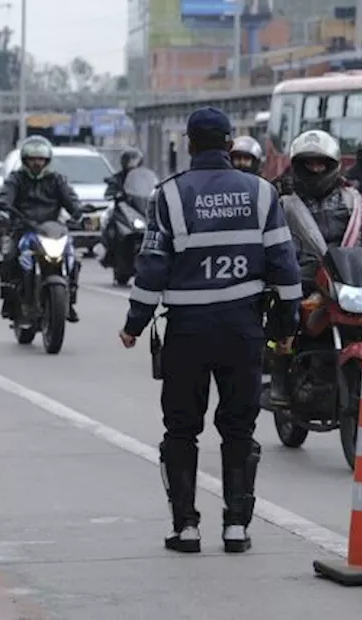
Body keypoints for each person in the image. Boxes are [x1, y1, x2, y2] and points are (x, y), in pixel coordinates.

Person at [118, 107, 302, 555]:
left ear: (190, 144)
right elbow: (283, 261)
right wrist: (288, 322)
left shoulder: (169, 196)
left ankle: (186, 529)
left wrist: (134, 324)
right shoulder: (261, 193)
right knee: (238, 428)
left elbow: (152, 267)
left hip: (188, 333)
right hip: (243, 331)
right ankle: (236, 527)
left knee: (181, 429)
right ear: (228, 144)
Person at [268, 129, 362, 406]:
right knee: (282, 313)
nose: (315, 169)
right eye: (309, 163)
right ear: (298, 165)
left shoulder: (350, 199)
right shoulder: (284, 201)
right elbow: (267, 236)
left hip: (345, 272)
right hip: (302, 273)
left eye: (320, 163)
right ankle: (280, 377)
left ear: (332, 165)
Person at [0, 136, 86, 322]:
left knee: (72, 258)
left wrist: (79, 213)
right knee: (9, 258)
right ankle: (9, 301)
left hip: (52, 230)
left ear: (47, 160)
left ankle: (69, 302)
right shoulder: (16, 178)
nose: (36, 163)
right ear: (25, 160)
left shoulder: (56, 180)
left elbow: (71, 200)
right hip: (24, 229)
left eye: (40, 159)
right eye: (32, 159)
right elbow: (5, 196)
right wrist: (3, 207)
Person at [101, 147, 146, 267]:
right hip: (123, 210)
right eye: (129, 161)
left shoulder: (143, 178)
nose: (131, 164)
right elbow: (109, 192)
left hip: (139, 210)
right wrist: (115, 193)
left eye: (134, 161)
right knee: (113, 227)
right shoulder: (117, 178)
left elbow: (153, 186)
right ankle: (110, 253)